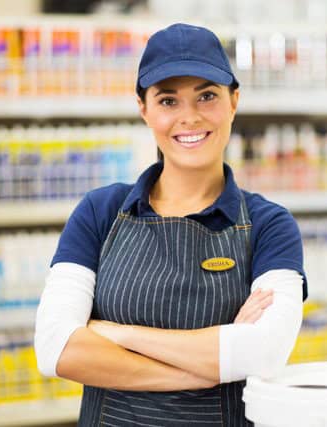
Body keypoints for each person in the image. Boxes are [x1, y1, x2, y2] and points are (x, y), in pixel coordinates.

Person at [34, 23, 307, 426]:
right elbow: (55, 349)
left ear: (234, 101)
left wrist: (117, 334)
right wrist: (210, 364)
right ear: (143, 108)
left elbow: (265, 351)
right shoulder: (99, 212)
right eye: (168, 101)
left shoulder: (270, 226)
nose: (189, 118)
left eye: (207, 96)